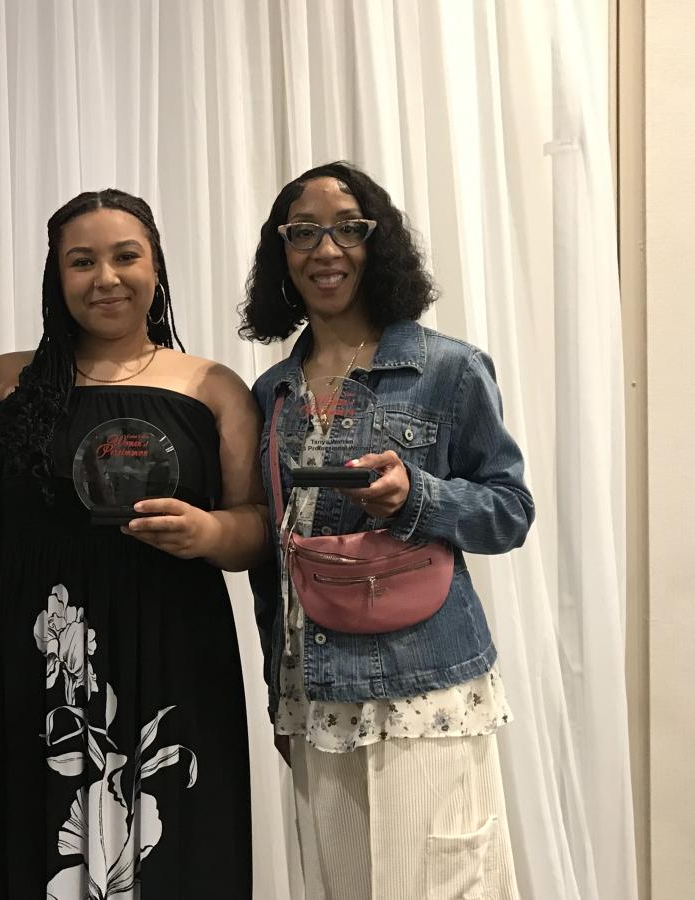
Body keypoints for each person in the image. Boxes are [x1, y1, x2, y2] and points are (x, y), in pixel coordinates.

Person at [0, 189, 267, 898]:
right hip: (30, 654)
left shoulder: (213, 386)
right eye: (81, 261)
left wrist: (211, 531)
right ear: (54, 277)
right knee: (28, 845)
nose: (106, 278)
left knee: (172, 850)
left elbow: (256, 526)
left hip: (171, 647)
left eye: (126, 256)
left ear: (156, 267)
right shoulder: (2, 381)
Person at [243, 161, 533, 899]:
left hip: (425, 687)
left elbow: (509, 510)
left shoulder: (448, 370)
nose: (325, 248)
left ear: (380, 244)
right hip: (317, 694)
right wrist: (282, 688)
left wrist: (416, 497)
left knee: (441, 886)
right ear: (282, 254)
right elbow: (274, 558)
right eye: (302, 232)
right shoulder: (273, 392)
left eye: (348, 228)